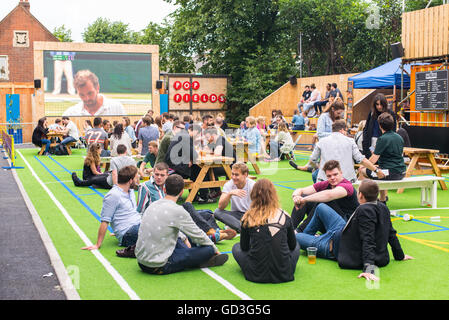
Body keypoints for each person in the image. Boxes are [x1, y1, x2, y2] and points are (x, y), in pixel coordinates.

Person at [295, 179, 414, 281]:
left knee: (296, 237)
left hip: (334, 246)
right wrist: (399, 255)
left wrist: (368, 269)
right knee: (321, 207)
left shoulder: (364, 210)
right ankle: (310, 238)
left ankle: (312, 240)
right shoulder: (383, 207)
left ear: (360, 195)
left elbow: (368, 239)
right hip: (341, 231)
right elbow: (391, 233)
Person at [135, 174, 229, 275]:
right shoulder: (178, 211)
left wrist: (184, 238)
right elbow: (197, 234)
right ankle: (199, 260)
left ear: (164, 189)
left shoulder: (152, 205)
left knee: (183, 238)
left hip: (141, 261)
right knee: (208, 249)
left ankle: (197, 251)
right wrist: (215, 250)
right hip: (159, 265)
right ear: (181, 192)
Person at [135, 162, 236, 244]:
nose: (159, 177)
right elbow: (139, 211)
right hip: (161, 220)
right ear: (153, 173)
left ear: (167, 176)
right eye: (156, 174)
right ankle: (211, 233)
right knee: (188, 207)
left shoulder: (168, 185)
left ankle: (215, 231)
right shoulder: (145, 187)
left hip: (174, 213)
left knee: (207, 214)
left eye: (162, 175)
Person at [232, 179, 300, 283]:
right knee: (297, 246)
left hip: (255, 273)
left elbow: (244, 247)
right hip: (284, 273)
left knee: (236, 247)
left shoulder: (248, 216)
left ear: (253, 195)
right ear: (273, 195)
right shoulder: (284, 215)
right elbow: (292, 246)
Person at [81, 165, 141, 251]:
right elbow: (105, 221)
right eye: (136, 178)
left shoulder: (130, 190)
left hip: (138, 225)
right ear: (130, 181)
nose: (138, 179)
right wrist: (98, 244)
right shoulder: (113, 195)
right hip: (128, 233)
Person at [301, 120, 383, 183]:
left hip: (326, 179)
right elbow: (362, 160)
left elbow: (312, 160)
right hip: (346, 180)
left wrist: (317, 166)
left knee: (316, 175)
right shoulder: (350, 141)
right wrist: (376, 170)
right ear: (343, 130)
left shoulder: (322, 141)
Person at [291, 160, 359, 232]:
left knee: (323, 202)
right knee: (304, 196)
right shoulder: (327, 184)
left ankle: (299, 231)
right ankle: (290, 229)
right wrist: (296, 197)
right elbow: (301, 190)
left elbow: (329, 195)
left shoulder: (347, 186)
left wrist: (304, 200)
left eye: (335, 174)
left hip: (347, 226)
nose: (332, 178)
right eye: (329, 176)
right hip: (330, 224)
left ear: (341, 173)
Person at [358, 112, 406, 204]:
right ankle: (383, 200)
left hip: (390, 173)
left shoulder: (382, 139)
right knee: (380, 170)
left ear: (380, 125)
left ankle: (363, 200)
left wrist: (363, 165)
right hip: (401, 171)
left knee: (362, 170)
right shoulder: (399, 137)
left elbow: (373, 160)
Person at [165, 124, 215, 204]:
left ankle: (196, 196)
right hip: (175, 169)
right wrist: (191, 159)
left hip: (171, 166)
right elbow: (194, 155)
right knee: (200, 169)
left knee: (196, 168)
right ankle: (204, 196)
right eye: (198, 134)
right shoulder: (186, 137)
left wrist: (190, 159)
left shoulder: (182, 135)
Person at [214, 162, 255, 233]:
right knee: (217, 212)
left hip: (250, 214)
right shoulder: (229, 185)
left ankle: (236, 226)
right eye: (232, 174)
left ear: (245, 175)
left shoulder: (253, 185)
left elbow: (261, 206)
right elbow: (220, 207)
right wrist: (229, 194)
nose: (233, 177)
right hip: (236, 214)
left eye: (236, 175)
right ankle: (242, 228)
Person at [362, 93, 397, 158]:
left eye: (381, 104)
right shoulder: (372, 113)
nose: (379, 106)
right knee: (371, 163)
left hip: (384, 143)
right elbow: (366, 129)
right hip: (371, 142)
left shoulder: (390, 114)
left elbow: (393, 131)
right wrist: (365, 146)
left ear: (384, 104)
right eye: (377, 104)